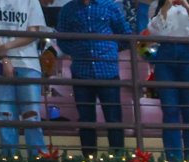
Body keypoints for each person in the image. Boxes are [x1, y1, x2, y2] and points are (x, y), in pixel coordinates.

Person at [56, 0, 133, 154]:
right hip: (81, 71)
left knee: (113, 119)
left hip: (108, 70)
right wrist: (77, 50)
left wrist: (110, 48)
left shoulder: (110, 6)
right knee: (86, 120)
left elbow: (126, 36)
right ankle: (89, 159)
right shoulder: (68, 9)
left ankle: (118, 159)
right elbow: (62, 39)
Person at [0, 0, 51, 151]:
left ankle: (37, 157)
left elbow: (33, 33)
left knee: (31, 114)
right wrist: (4, 57)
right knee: (4, 114)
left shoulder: (30, 1)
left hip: (27, 63)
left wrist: (5, 47)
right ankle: (9, 157)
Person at [146, 0, 189, 158]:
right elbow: (153, 31)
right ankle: (173, 160)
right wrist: (164, 8)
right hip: (165, 56)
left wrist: (188, 7)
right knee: (169, 109)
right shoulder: (157, 4)